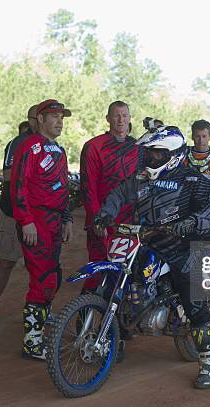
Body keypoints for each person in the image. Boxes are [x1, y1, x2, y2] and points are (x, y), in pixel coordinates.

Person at [94, 125, 210, 389]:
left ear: (173, 154)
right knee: (117, 280)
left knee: (192, 299)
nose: (150, 158)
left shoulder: (193, 180)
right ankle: (114, 340)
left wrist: (192, 222)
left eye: (156, 154)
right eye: (149, 154)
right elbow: (119, 193)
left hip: (181, 247)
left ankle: (208, 360)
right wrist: (105, 213)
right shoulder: (141, 178)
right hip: (144, 242)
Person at [11, 99, 74, 360]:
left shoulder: (58, 150)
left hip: (54, 224)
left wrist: (67, 218)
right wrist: (26, 221)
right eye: (53, 116)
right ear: (40, 120)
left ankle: (40, 325)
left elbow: (64, 187)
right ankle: (32, 343)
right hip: (36, 223)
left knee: (53, 276)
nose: (59, 121)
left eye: (62, 117)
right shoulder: (29, 147)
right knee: (42, 277)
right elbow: (17, 187)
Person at [0, 106, 38, 329]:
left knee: (41, 266)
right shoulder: (18, 142)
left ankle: (41, 310)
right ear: (34, 120)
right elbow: (8, 174)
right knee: (7, 261)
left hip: (40, 215)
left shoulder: (52, 146)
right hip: (13, 212)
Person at [79, 101, 140, 292]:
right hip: (104, 222)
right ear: (108, 119)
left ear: (130, 118)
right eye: (116, 115)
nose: (121, 119)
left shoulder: (139, 148)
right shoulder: (94, 146)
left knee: (128, 275)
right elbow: (88, 187)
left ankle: (119, 321)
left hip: (131, 225)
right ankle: (84, 320)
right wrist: (98, 219)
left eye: (125, 115)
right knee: (97, 273)